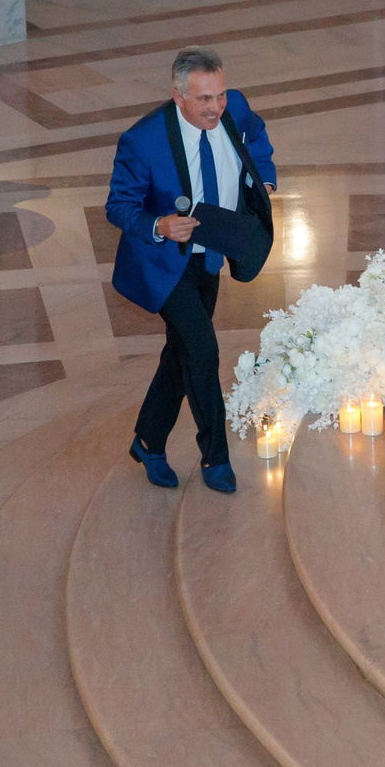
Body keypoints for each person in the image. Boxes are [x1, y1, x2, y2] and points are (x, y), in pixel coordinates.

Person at [106, 47, 276, 495]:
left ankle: (148, 441)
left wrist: (265, 178)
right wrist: (159, 225)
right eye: (204, 99)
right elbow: (118, 206)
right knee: (201, 351)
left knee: (178, 354)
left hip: (210, 256)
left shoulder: (234, 108)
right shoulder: (141, 141)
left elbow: (255, 137)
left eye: (218, 95)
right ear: (178, 96)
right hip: (164, 266)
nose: (215, 107)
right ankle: (215, 458)